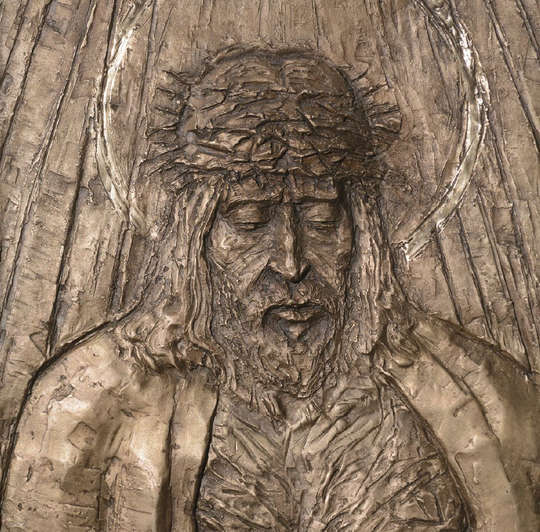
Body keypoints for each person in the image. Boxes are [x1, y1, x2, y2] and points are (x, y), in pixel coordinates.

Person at [1, 48, 537, 532]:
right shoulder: (89, 401)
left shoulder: (481, 393)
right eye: (249, 220)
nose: (291, 263)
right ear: (194, 236)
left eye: (321, 219)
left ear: (364, 233)